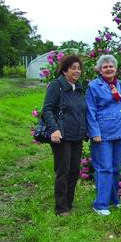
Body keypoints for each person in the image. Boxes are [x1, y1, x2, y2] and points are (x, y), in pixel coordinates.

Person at [86, 55, 121, 216]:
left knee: (115, 168)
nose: (108, 69)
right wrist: (95, 133)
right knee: (104, 168)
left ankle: (113, 201)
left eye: (111, 66)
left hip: (120, 132)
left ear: (115, 68)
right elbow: (90, 111)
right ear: (100, 70)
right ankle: (100, 204)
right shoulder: (94, 86)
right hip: (103, 134)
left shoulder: (119, 84)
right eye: (105, 67)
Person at [41, 55, 87, 216]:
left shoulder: (79, 88)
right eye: (73, 68)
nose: (77, 71)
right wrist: (54, 129)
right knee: (63, 170)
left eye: (79, 68)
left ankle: (69, 203)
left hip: (77, 136)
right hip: (61, 136)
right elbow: (47, 109)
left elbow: (81, 111)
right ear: (65, 70)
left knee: (74, 170)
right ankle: (61, 207)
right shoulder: (57, 86)